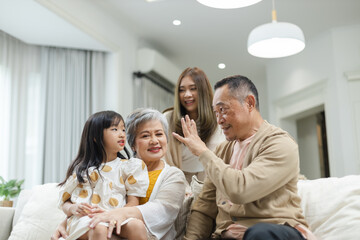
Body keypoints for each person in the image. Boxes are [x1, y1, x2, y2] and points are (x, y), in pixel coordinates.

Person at [173, 75, 317, 240]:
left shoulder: (280, 143)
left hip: (274, 231)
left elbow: (240, 190)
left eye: (223, 109)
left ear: (249, 103)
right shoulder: (222, 150)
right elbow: (205, 207)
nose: (219, 119)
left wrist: (203, 152)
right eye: (215, 112)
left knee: (259, 234)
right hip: (228, 236)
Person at [52, 108, 186, 240]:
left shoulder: (173, 175)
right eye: (145, 135)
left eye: (159, 134)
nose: (154, 141)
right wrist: (66, 221)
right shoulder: (121, 169)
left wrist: (111, 215)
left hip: (135, 231)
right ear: (132, 144)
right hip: (102, 227)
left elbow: (160, 211)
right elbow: (85, 198)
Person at [57, 110, 149, 240]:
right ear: (95, 137)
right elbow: (64, 202)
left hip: (116, 215)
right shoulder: (82, 170)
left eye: (123, 129)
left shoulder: (129, 167)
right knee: (99, 228)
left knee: (137, 226)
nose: (122, 134)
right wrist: (72, 208)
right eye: (115, 129)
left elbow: (133, 203)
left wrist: (116, 215)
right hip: (86, 219)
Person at [163, 67, 225, 183]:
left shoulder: (218, 119)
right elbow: (163, 159)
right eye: (182, 90)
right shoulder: (168, 118)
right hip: (175, 179)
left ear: (203, 91)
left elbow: (221, 158)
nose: (187, 95)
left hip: (209, 180)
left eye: (193, 89)